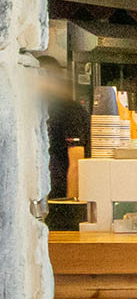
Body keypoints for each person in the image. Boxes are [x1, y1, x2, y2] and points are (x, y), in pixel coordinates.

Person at [37, 56, 87, 205]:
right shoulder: (41, 110)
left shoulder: (69, 111)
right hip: (46, 196)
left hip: (60, 199)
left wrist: (69, 207)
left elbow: (77, 164)